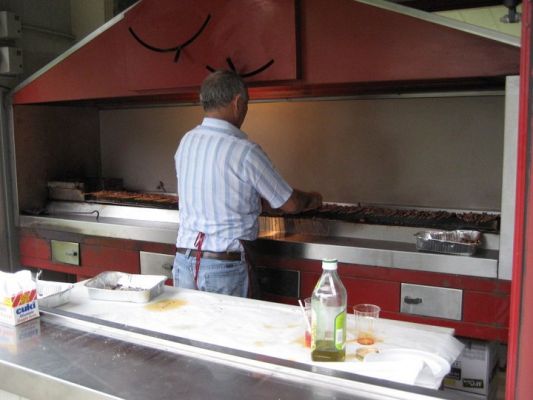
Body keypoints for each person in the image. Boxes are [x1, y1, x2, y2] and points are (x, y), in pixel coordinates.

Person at [173, 70, 322, 297]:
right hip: (224, 268)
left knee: (190, 332)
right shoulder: (244, 151)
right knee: (232, 333)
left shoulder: (187, 142)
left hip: (184, 263)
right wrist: (313, 199)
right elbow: (289, 203)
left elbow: (219, 195)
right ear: (238, 102)